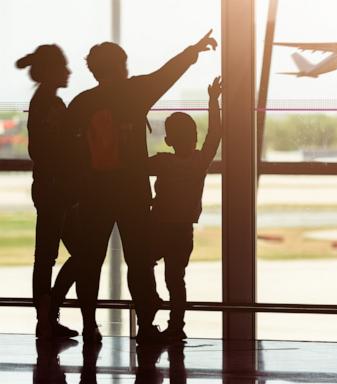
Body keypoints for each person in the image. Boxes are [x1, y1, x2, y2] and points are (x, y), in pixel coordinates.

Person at [67, 31, 218, 344]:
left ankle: (89, 325)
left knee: (90, 261)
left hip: (94, 195)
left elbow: (69, 153)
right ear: (120, 66)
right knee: (139, 262)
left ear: (94, 71)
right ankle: (146, 327)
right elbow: (167, 73)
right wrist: (193, 50)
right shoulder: (132, 93)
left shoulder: (81, 104)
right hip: (132, 194)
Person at [149, 77, 222, 342]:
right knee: (176, 280)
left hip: (158, 226)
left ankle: (151, 303)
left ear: (168, 140)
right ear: (195, 138)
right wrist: (213, 101)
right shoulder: (198, 162)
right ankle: (176, 326)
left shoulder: (162, 162)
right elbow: (216, 134)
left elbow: (134, 167)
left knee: (144, 264)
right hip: (182, 231)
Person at [16, 45, 79, 339]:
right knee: (72, 253)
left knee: (47, 255)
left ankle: (47, 312)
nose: (69, 72)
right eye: (64, 67)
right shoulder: (51, 105)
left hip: (49, 187)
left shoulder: (43, 102)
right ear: (53, 71)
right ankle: (48, 310)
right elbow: (53, 149)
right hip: (57, 189)